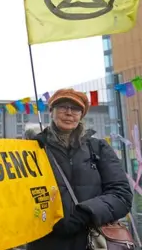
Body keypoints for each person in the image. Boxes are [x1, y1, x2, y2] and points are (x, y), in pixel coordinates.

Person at [25, 89, 132, 250]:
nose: (69, 113)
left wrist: (85, 213)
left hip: (92, 240)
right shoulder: (33, 150)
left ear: (81, 115)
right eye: (62, 107)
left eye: (75, 108)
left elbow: (121, 195)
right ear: (51, 111)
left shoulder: (98, 148)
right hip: (45, 242)